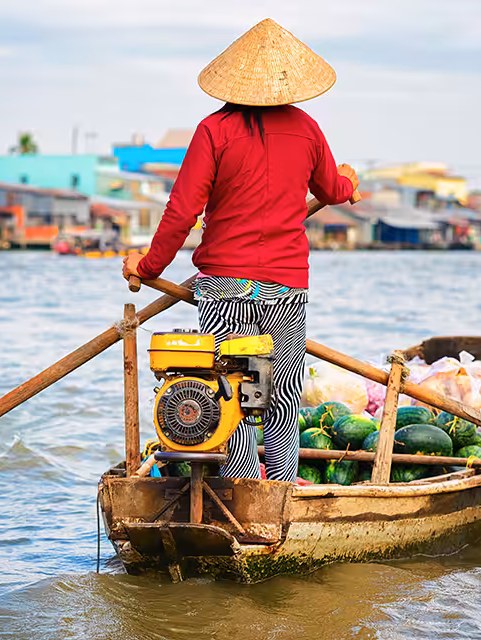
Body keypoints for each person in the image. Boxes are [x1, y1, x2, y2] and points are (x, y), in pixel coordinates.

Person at [121, 19, 358, 483]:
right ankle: (278, 492)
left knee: (229, 391)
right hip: (285, 290)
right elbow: (331, 188)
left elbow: (181, 211)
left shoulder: (214, 129)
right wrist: (349, 183)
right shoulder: (307, 129)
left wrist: (146, 266)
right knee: (279, 395)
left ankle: (242, 486)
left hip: (225, 289)